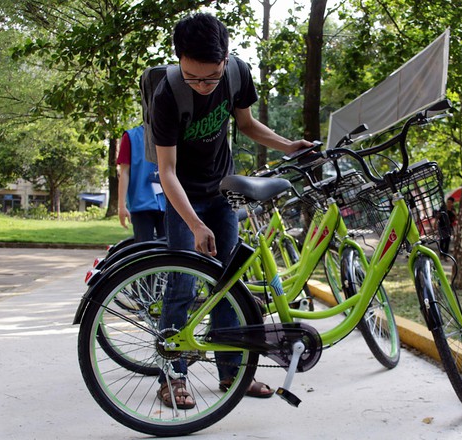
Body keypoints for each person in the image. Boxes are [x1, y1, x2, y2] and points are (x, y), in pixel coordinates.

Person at [151, 13, 313, 409]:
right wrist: (194, 224)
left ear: (225, 59)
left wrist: (288, 145)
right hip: (183, 198)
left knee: (227, 285)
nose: (203, 86)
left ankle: (232, 372)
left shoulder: (237, 74)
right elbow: (167, 171)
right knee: (182, 285)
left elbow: (247, 124)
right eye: (193, 77)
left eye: (211, 77)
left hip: (222, 191)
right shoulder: (167, 94)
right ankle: (172, 377)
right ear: (179, 59)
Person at [117, 125, 166, 242]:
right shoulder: (130, 137)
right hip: (141, 204)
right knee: (143, 247)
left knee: (170, 248)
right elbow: (124, 172)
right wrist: (122, 206)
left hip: (169, 203)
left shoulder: (170, 133)